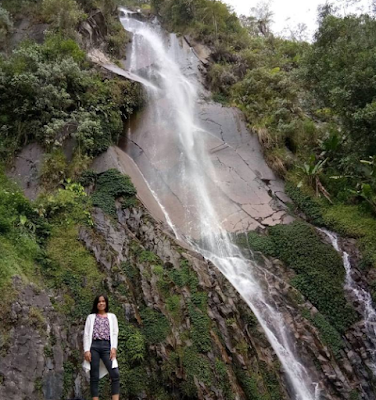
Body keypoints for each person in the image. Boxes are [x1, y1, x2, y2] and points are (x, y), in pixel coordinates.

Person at [82, 295, 120, 400]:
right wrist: (86, 350)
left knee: (115, 374)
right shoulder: (91, 317)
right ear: (96, 304)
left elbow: (114, 333)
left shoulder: (112, 317)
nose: (101, 303)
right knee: (94, 375)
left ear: (106, 303)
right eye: (99, 302)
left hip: (107, 346)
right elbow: (86, 334)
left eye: (103, 301)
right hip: (94, 346)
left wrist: (114, 348)